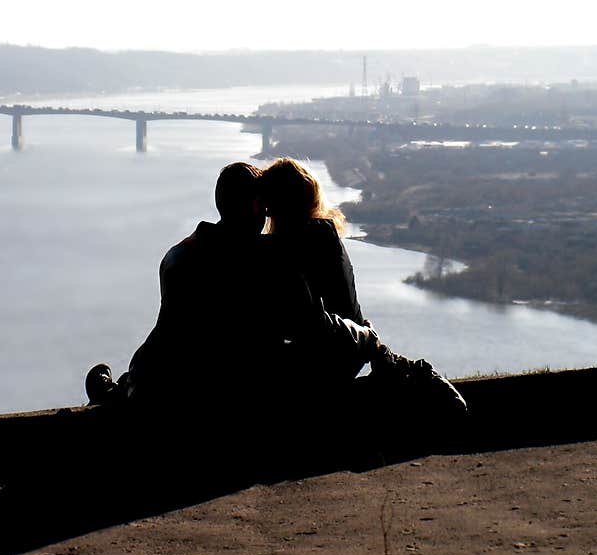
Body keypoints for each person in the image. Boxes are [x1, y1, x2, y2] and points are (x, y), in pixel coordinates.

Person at [85, 162, 379, 413]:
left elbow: (172, 335)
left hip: (153, 384)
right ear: (255, 205)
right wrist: (367, 338)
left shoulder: (179, 255)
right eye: (264, 206)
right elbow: (313, 325)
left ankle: (109, 390)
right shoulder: (266, 263)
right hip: (226, 397)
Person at [259, 157, 468, 419]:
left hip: (332, 353)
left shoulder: (293, 242)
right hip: (348, 349)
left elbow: (303, 320)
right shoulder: (323, 234)